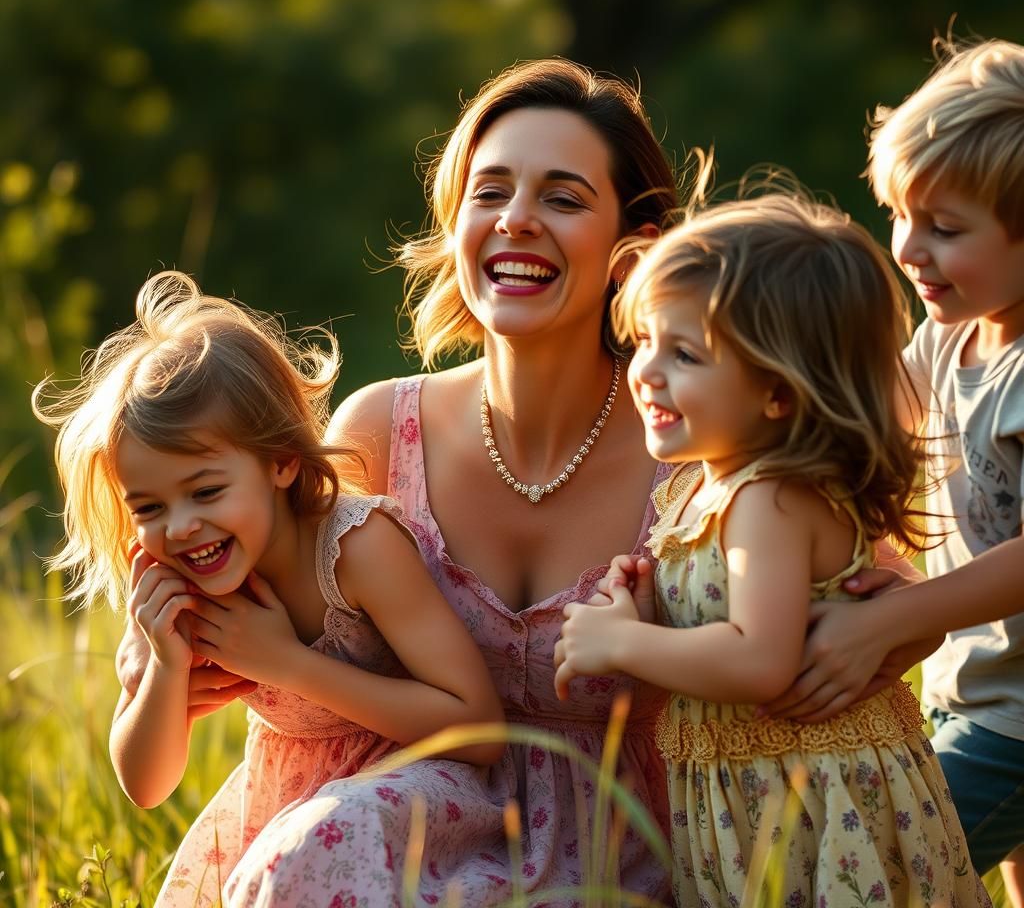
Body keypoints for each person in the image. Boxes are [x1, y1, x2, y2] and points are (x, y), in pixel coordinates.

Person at [112, 61, 919, 906]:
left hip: (643, 847)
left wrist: (863, 633)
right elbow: (225, 555)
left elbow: (881, 598)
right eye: (489, 192)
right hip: (401, 840)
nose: (517, 221)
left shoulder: (700, 446)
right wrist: (161, 651)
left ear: (632, 249)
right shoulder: (378, 432)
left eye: (564, 199)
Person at [553, 192, 991, 907]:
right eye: (645, 342)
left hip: (815, 799)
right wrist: (650, 603)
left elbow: (759, 658)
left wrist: (623, 643)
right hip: (754, 797)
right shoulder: (703, 486)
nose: (647, 372)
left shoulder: (772, 498)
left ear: (779, 393)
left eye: (685, 353)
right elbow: (728, 618)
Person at [33, 270, 503, 908]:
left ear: (281, 460)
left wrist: (286, 664)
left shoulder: (356, 550)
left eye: (206, 492)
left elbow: (478, 728)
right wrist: (166, 667)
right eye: (147, 507)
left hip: (413, 799)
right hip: (284, 802)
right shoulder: (178, 585)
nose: (178, 526)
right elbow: (145, 785)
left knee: (319, 848)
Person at [761, 37, 1024, 906]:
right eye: (900, 216)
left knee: (881, 865)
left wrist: (895, 619)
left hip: (1014, 722)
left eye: (946, 229)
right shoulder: (949, 334)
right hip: (975, 692)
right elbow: (868, 431)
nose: (909, 248)